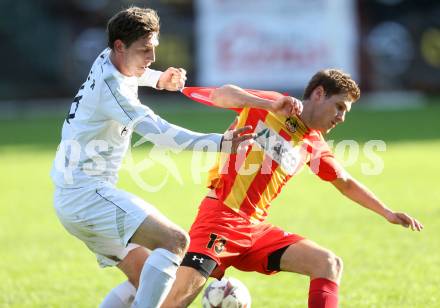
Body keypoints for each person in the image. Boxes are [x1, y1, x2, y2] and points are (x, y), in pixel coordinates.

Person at [50, 7, 259, 308]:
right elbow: (161, 134)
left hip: (73, 197)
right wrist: (220, 143)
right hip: (87, 195)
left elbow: (134, 70)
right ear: (120, 46)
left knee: (143, 277)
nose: (151, 57)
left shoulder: (107, 58)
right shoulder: (114, 92)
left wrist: (160, 79)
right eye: (144, 50)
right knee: (175, 241)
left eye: (154, 49)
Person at [161, 69, 424, 308]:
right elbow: (221, 95)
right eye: (339, 107)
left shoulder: (313, 143)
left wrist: (387, 212)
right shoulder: (273, 104)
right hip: (220, 219)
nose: (341, 118)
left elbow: (344, 183)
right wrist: (266, 104)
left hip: (255, 231)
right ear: (319, 94)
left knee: (327, 264)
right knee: (174, 302)